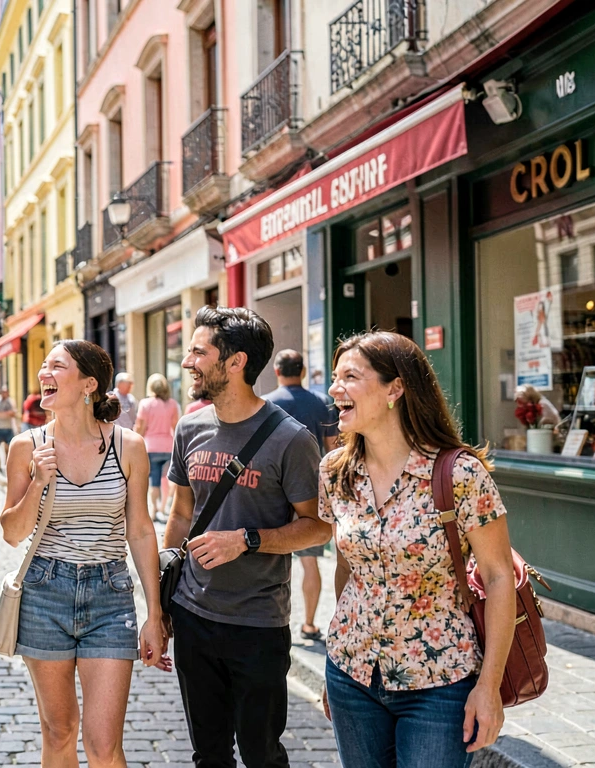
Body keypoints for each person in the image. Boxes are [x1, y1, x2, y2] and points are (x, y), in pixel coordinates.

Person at [320, 331, 517, 766]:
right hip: (352, 675)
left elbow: (500, 576)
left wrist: (488, 687)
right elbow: (346, 569)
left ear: (395, 388)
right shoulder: (335, 472)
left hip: (440, 682)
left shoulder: (459, 474)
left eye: (350, 377)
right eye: (334, 377)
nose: (334, 389)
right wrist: (341, 654)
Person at [162, 306, 331, 768]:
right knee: (209, 754)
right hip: (193, 616)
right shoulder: (189, 427)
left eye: (199, 351)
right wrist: (160, 606)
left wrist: (246, 540)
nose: (187, 361)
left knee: (262, 755)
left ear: (235, 362)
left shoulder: (291, 439)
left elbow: (317, 526)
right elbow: (180, 514)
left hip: (257, 623)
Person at [0, 340, 167, 766]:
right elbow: (11, 533)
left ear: (88, 384)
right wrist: (38, 480)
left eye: (57, 366)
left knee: (104, 744)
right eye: (44, 365)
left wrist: (155, 613)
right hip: (44, 592)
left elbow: (142, 531)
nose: (44, 373)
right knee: (59, 733)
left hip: (110, 595)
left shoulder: (128, 446)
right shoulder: (26, 445)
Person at [263, 349, 340, 642]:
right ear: (303, 372)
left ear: (277, 371)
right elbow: (334, 450)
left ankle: (273, 620)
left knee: (270, 556)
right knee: (310, 562)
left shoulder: (267, 403)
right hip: (311, 492)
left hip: (272, 492)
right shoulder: (322, 403)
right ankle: (308, 624)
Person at [134, 374, 179, 523]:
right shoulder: (172, 404)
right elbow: (175, 426)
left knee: (154, 480)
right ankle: (162, 508)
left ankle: (153, 510)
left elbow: (140, 426)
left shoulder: (145, 404)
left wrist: (135, 440)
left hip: (151, 446)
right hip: (168, 446)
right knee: (166, 479)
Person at [0, 386, 18, 472]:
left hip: (8, 426)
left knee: (8, 447)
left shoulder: (11, 401)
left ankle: (7, 464)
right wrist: (6, 414)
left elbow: (13, 413)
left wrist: (1, 414)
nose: (4, 393)